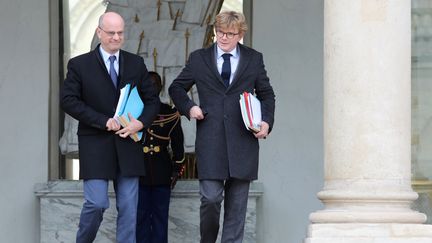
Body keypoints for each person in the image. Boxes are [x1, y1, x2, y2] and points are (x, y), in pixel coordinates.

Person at [169, 10, 275, 243]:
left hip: (243, 141)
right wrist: (190, 107)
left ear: (240, 34)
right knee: (210, 198)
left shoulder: (253, 59)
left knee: (237, 210)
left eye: (230, 33)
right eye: (220, 32)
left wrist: (266, 122)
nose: (224, 37)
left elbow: (267, 94)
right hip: (210, 141)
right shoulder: (199, 58)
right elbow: (176, 88)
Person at [60, 12, 160, 243]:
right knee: (96, 203)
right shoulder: (79, 64)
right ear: (99, 33)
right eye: (111, 33)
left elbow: (153, 100)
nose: (116, 37)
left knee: (128, 209)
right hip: (95, 143)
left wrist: (141, 122)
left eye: (120, 33)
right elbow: (68, 101)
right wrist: (102, 120)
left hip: (128, 142)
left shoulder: (136, 63)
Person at [136, 71, 185, 243]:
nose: (152, 87)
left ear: (161, 87)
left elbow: (178, 146)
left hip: (162, 172)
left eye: (155, 84)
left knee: (160, 219)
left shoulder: (169, 113)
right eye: (148, 84)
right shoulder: (134, 111)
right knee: (139, 218)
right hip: (138, 172)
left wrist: (176, 170)